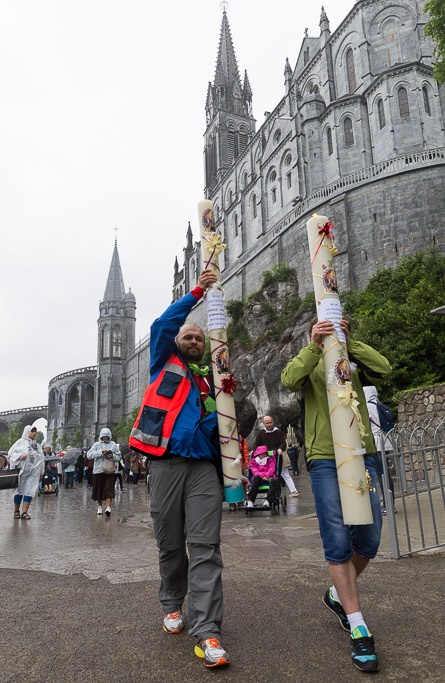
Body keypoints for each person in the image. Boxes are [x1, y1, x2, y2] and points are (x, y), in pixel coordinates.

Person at [129, 268, 230, 669]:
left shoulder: (212, 384)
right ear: (177, 343)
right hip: (166, 465)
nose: (192, 340)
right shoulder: (162, 363)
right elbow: (162, 323)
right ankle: (172, 602)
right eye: (188, 336)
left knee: (206, 547)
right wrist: (196, 293)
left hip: (203, 468)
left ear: (204, 348)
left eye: (198, 338)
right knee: (170, 544)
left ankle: (208, 632)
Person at [281, 317, 391, 673]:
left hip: (362, 454)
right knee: (337, 539)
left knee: (370, 538)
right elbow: (288, 380)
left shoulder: (350, 361)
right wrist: (314, 346)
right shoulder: (310, 363)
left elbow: (384, 369)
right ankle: (358, 625)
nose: (328, 332)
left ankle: (336, 595)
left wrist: (350, 341)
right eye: (322, 328)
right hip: (325, 458)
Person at [364, 385, 396, 515]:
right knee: (386, 475)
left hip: (376, 445)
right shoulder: (378, 404)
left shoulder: (367, 407)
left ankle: (387, 505)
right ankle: (390, 503)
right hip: (386, 443)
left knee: (381, 475)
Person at [253, 415, 299, 498]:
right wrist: (254, 451)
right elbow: (257, 443)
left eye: (270, 423)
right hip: (266, 458)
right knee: (268, 474)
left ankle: (293, 490)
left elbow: (283, 442)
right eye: (267, 423)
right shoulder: (261, 433)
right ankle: (269, 491)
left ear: (273, 422)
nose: (269, 425)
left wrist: (280, 449)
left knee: (284, 473)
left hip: (278, 456)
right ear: (264, 424)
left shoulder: (278, 432)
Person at [8, 426, 44, 520]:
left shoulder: (37, 445)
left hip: (33, 472)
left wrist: (41, 471)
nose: (34, 433)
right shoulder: (20, 442)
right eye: (32, 431)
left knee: (30, 491)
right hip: (22, 471)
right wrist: (20, 456)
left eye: (35, 431)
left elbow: (41, 459)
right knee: (19, 490)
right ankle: (16, 510)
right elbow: (10, 454)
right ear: (27, 431)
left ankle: (24, 512)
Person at [87, 427, 121, 516]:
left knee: (109, 488)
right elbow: (89, 455)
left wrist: (112, 456)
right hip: (98, 470)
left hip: (109, 470)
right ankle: (99, 507)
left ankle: (108, 508)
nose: (105, 438)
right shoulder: (96, 445)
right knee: (99, 489)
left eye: (107, 436)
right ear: (101, 436)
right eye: (104, 436)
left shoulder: (113, 444)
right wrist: (100, 452)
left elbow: (118, 457)